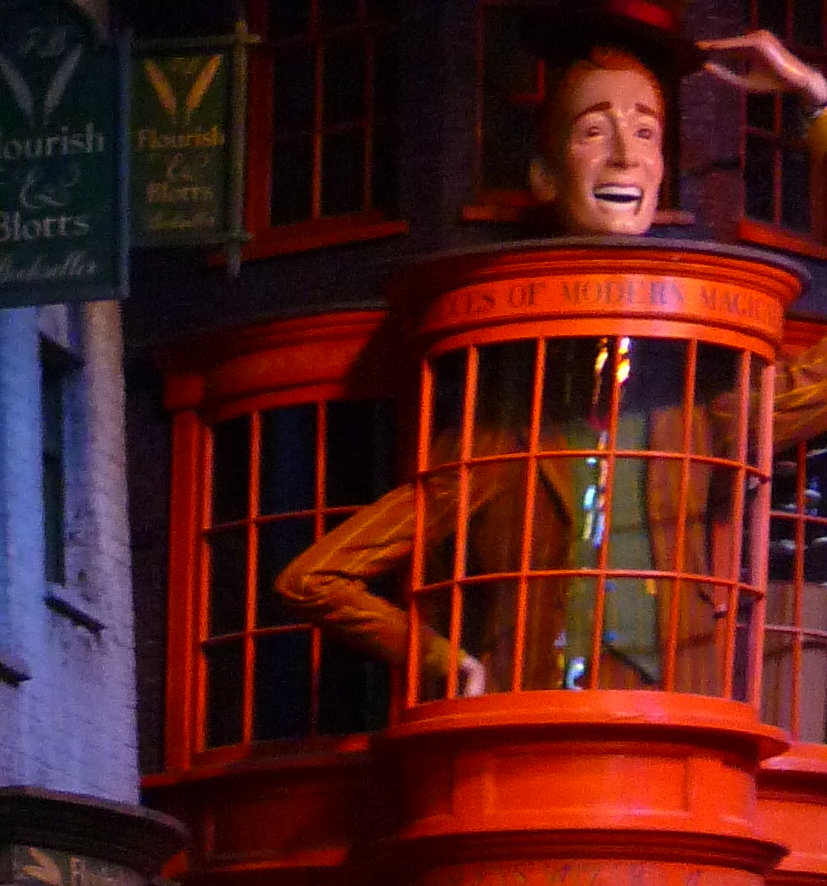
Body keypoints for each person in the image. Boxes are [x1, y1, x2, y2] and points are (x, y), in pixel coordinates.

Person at [276, 12, 827, 704]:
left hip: (673, 714)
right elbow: (313, 578)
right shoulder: (496, 443)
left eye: (646, 133)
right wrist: (443, 660)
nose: (624, 155)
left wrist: (817, 102)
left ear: (661, 169)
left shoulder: (704, 417)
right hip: (532, 716)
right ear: (542, 173)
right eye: (593, 131)